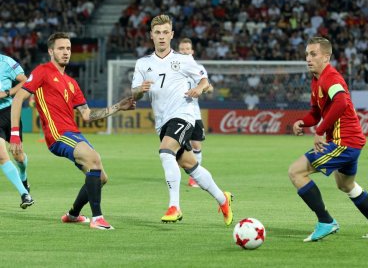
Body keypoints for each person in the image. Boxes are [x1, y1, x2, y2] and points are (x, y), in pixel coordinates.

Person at [10, 32, 136, 230]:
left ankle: (73, 214)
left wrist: (118, 107)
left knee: (101, 177)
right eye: (61, 48)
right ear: (51, 51)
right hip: (58, 135)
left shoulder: (72, 82)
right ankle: (97, 218)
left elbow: (86, 115)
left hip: (74, 133)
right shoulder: (42, 71)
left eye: (68, 48)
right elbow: (18, 99)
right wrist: (15, 134)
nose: (66, 52)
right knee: (93, 159)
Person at [131, 14, 233, 225]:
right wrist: (140, 91)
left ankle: (174, 206)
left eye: (165, 32)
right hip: (162, 121)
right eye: (157, 33)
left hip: (183, 115)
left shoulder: (183, 60)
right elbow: (135, 92)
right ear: (151, 35)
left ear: (171, 35)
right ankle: (223, 199)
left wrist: (198, 87)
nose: (161, 37)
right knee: (190, 165)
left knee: (165, 151)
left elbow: (204, 78)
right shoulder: (143, 63)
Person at [288, 37, 368, 242]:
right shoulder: (317, 80)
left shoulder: (331, 78)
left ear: (326, 57)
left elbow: (342, 102)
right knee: (346, 185)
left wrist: (320, 130)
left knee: (296, 172)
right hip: (350, 142)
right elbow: (316, 112)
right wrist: (303, 122)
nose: (308, 58)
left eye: (313, 54)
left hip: (343, 141)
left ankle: (325, 221)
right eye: (307, 54)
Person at [178, 37, 213, 188]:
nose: (185, 51)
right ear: (178, 51)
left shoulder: (198, 68)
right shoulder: (174, 67)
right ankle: (178, 173)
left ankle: (195, 177)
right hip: (176, 112)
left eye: (187, 49)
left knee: (196, 144)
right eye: (182, 49)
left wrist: (201, 89)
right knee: (176, 145)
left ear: (192, 51)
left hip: (193, 112)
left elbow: (209, 87)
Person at [0, 53, 34, 209]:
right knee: (1, 156)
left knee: (18, 156)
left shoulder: (6, 62)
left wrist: (6, 93)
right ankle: (24, 193)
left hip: (9, 112)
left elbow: (25, 82)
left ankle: (24, 177)